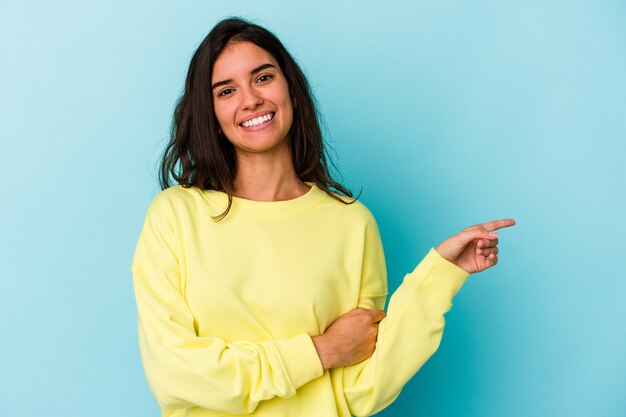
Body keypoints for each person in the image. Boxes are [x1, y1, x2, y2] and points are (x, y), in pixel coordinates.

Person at [131, 17, 515, 417]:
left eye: (262, 78)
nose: (250, 100)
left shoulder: (351, 224)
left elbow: (361, 389)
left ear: (291, 91)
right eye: (226, 91)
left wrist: (439, 277)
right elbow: (175, 373)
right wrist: (321, 351)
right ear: (211, 114)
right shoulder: (175, 216)